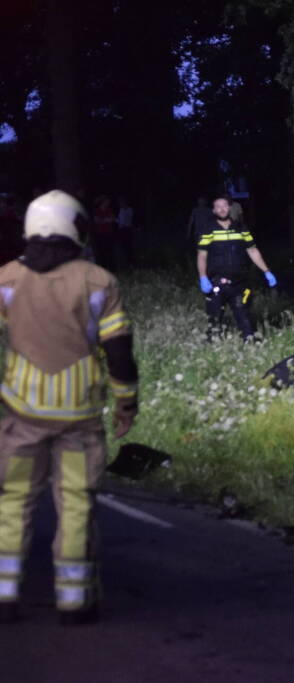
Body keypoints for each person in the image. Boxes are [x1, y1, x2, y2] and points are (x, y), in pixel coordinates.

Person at [0, 190, 139, 625]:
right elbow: (119, 351)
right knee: (76, 502)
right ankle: (75, 601)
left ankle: (4, 593)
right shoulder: (99, 282)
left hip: (22, 414)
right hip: (78, 417)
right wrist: (126, 402)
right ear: (76, 228)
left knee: (14, 500)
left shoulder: (6, 279)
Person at [196, 196, 277, 341]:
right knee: (214, 319)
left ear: (229, 208)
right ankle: (213, 345)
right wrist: (203, 277)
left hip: (239, 283)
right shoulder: (208, 229)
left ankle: (250, 343)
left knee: (244, 316)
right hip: (216, 282)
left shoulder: (240, 228)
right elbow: (202, 255)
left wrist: (267, 271)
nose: (222, 209)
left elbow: (252, 250)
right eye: (218, 207)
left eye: (224, 206)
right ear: (214, 210)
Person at [91, 195, 117, 270]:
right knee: (102, 252)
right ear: (103, 202)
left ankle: (113, 269)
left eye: (108, 202)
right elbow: (96, 220)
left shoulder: (109, 209)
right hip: (100, 234)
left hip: (109, 233)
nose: (108, 203)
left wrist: (104, 220)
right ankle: (104, 269)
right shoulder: (97, 210)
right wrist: (106, 220)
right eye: (107, 201)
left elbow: (113, 219)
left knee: (110, 251)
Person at [115, 195, 135, 268]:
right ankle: (128, 263)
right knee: (125, 247)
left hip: (126, 229)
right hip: (123, 230)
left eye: (121, 202)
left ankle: (131, 263)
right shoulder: (122, 210)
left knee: (128, 247)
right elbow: (121, 221)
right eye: (119, 203)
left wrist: (115, 220)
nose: (120, 204)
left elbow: (124, 221)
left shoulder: (128, 210)